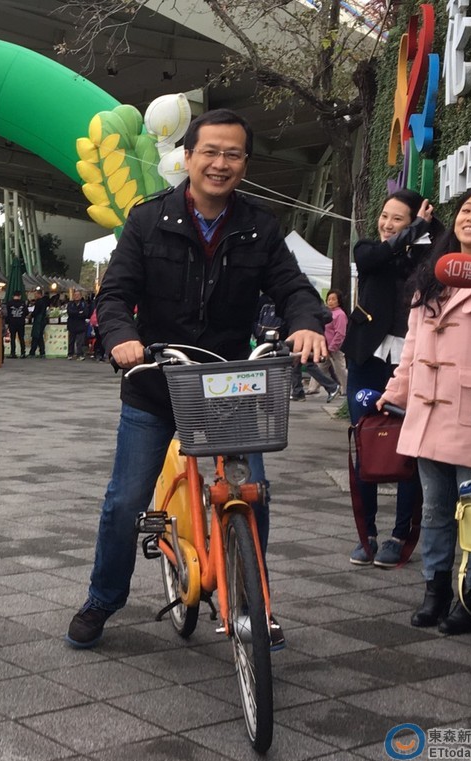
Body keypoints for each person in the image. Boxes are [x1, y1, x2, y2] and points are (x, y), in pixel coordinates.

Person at [66, 109, 329, 650]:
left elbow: (294, 288)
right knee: (125, 500)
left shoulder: (260, 226)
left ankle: (253, 603)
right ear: (187, 157)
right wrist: (121, 337)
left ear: (245, 164)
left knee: (252, 495)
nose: (220, 163)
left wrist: (306, 324)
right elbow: (114, 295)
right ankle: (102, 599)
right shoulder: (147, 220)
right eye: (209, 151)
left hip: (229, 386)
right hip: (156, 381)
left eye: (233, 154)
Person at [379, 184, 471, 634]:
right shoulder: (434, 274)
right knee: (434, 510)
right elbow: (413, 348)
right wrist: (396, 392)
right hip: (428, 413)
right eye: (466, 209)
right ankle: (434, 590)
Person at [343, 189, 440, 568]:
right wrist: (411, 230)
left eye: (397, 218)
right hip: (366, 359)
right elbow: (376, 257)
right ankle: (365, 534)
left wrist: (423, 231)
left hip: (412, 363)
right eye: (384, 216)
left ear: (417, 220)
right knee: (365, 443)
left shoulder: (430, 256)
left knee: (409, 450)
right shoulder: (369, 250)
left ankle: (400, 536)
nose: (386, 224)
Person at [66, 289, 89, 360]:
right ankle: (70, 354)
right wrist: (79, 312)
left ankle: (80, 354)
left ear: (81, 296)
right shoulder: (70, 304)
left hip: (81, 325)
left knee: (80, 341)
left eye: (78, 295)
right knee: (71, 341)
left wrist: (77, 313)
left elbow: (85, 313)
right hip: (72, 325)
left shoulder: (84, 304)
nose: (76, 296)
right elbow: (70, 312)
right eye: (75, 295)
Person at [5, 289, 27, 357]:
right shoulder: (23, 303)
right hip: (21, 323)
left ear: (13, 296)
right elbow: (26, 312)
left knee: (12, 338)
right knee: (21, 338)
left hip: (12, 323)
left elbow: (7, 314)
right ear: (20, 296)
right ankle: (23, 353)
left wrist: (7, 322)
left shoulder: (9, 303)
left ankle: (13, 353)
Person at [28, 290, 49, 358]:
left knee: (36, 336)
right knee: (39, 337)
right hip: (42, 320)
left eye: (35, 294)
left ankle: (33, 352)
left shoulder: (39, 302)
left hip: (39, 321)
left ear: (39, 294)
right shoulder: (44, 301)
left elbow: (36, 311)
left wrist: (31, 315)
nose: (35, 296)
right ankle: (42, 352)